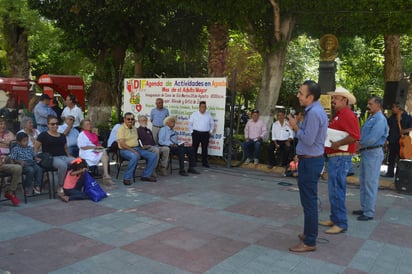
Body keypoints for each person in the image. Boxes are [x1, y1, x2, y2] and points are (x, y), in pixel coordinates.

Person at [287, 80, 328, 252]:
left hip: (310, 162)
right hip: (310, 160)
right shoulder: (314, 110)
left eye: (301, 93)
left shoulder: (314, 113)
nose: (298, 95)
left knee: (309, 203)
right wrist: (300, 124)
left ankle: (310, 241)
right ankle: (308, 233)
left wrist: (296, 127)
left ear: (310, 97)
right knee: (308, 201)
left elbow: (308, 139)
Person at [319, 87, 360, 234]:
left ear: (344, 100)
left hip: (340, 157)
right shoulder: (340, 115)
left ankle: (341, 222)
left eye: (336, 98)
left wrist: (338, 144)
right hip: (335, 157)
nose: (333, 100)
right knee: (334, 189)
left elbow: (355, 136)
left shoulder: (347, 115)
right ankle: (335, 218)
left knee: (337, 190)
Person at [353, 96, 388, 221]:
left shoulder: (379, 119)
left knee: (370, 183)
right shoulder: (371, 118)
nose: (368, 106)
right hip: (367, 152)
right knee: (363, 181)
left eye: (370, 104)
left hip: (373, 152)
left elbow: (372, 138)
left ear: (378, 105)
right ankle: (364, 208)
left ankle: (369, 212)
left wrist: (359, 145)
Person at [34, 115, 75, 188]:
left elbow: (65, 148)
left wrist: (69, 156)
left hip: (63, 156)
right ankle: (61, 185)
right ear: (48, 125)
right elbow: (36, 148)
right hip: (51, 157)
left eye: (56, 123)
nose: (55, 125)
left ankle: (72, 183)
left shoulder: (62, 135)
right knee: (63, 165)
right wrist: (35, 157)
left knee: (79, 162)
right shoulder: (43, 135)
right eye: (52, 124)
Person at [117, 112, 157, 185]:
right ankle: (127, 178)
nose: (130, 120)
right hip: (125, 150)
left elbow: (138, 140)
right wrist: (134, 151)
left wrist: (142, 146)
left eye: (132, 119)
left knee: (153, 155)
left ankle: (146, 175)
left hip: (137, 148)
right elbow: (122, 144)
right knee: (134, 157)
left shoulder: (134, 128)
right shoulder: (121, 129)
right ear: (124, 120)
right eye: (128, 119)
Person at [78, 119, 115, 185]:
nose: (89, 125)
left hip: (93, 150)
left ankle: (106, 175)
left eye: (89, 124)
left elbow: (96, 143)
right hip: (86, 152)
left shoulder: (92, 133)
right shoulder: (81, 135)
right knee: (104, 154)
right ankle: (106, 175)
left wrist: (98, 146)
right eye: (87, 124)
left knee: (104, 152)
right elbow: (82, 147)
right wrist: (95, 147)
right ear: (83, 127)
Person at [383, 102, 412, 177]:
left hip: (402, 141)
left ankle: (399, 175)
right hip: (393, 140)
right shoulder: (393, 116)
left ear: (398, 108)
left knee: (401, 159)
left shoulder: (408, 117)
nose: (392, 109)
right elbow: (387, 124)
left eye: (394, 107)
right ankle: (390, 173)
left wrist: (404, 131)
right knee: (391, 157)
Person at [189, 101, 215, 168]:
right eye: (202, 107)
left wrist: (210, 131)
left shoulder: (208, 115)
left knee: (204, 148)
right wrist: (192, 132)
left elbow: (212, 124)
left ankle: (205, 162)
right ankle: (193, 162)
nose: (203, 108)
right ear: (199, 107)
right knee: (194, 148)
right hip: (196, 133)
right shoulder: (194, 114)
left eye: (204, 107)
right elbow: (190, 124)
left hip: (205, 134)